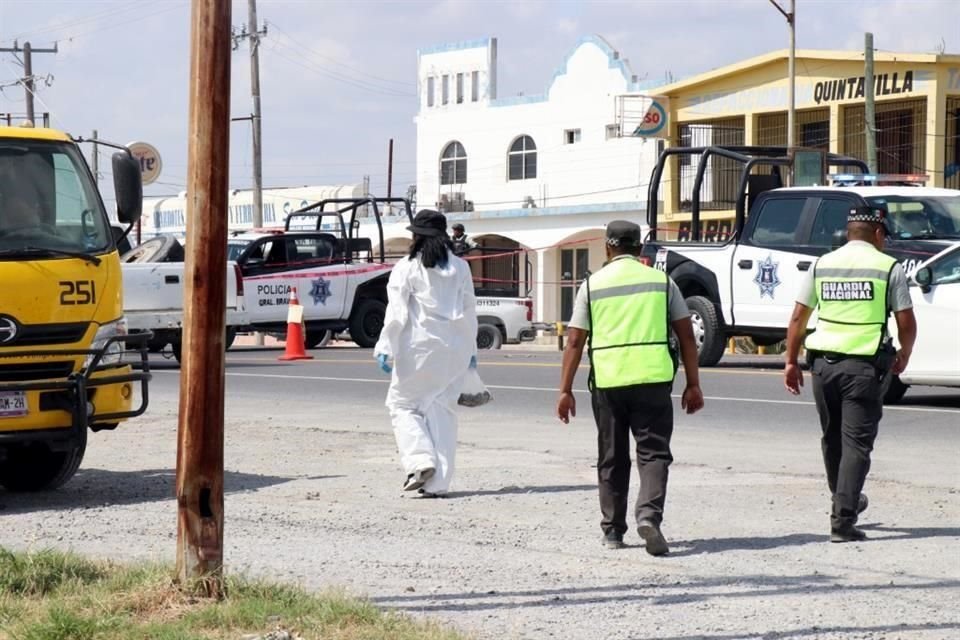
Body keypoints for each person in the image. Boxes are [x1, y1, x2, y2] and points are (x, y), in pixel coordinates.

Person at [556, 220, 704, 554]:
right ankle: (649, 516)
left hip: (608, 382)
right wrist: (693, 383)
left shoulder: (592, 286)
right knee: (653, 454)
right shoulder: (662, 283)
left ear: (608, 248)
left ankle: (612, 532)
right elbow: (687, 336)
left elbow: (575, 341)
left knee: (612, 456)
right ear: (639, 248)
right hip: (653, 380)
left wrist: (565, 390)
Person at [784, 205, 916, 543]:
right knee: (856, 444)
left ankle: (846, 498)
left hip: (822, 367)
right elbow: (906, 322)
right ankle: (843, 521)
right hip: (863, 367)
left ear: (848, 233)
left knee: (832, 438)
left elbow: (798, 317)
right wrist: (905, 352)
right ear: (878, 235)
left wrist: (789, 361)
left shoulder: (822, 264)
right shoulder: (888, 268)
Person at [375, 209, 478, 497]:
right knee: (442, 410)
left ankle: (420, 461)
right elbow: (470, 310)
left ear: (416, 237)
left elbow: (395, 313)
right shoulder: (461, 267)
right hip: (454, 350)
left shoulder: (407, 267)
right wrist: (471, 350)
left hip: (418, 348)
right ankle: (439, 484)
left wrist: (385, 346)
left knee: (402, 405)